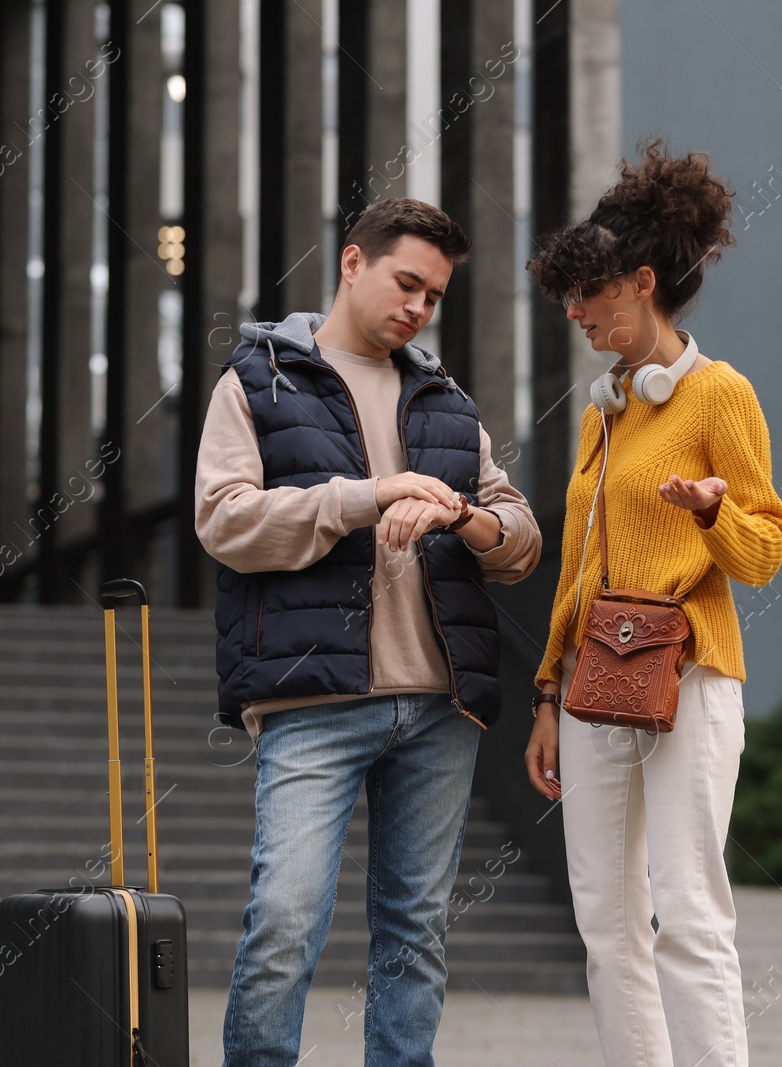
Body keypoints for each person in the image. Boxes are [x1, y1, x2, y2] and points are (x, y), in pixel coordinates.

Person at [196, 197, 542, 1067]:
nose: (418, 307)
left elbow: (520, 538)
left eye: (433, 295)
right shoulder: (259, 381)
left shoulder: (447, 403)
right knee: (283, 919)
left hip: (438, 705)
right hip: (313, 698)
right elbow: (224, 519)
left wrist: (461, 516)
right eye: (406, 283)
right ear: (353, 263)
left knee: (414, 935)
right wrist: (370, 495)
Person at [522, 141, 782, 1067]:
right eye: (570, 296)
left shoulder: (720, 395)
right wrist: (547, 692)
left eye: (591, 293)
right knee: (605, 919)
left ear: (642, 283)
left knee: (688, 910)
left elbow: (763, 552)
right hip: (596, 684)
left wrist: (715, 514)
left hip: (691, 675)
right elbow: (577, 568)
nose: (577, 312)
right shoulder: (607, 410)